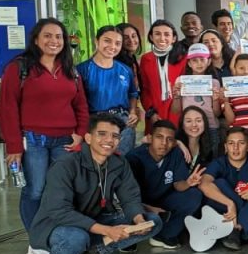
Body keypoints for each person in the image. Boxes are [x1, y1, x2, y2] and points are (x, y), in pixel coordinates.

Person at [30, 113, 163, 254]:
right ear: (88, 137)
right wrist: (107, 230)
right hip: (57, 225)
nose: (109, 140)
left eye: (115, 136)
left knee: (153, 221)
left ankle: (92, 251)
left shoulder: (119, 163)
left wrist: (138, 220)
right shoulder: (66, 165)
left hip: (93, 219)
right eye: (102, 134)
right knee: (77, 238)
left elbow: (130, 197)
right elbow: (59, 211)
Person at [0, 18, 89, 250]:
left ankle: (58, 238)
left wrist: (80, 133)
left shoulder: (70, 70)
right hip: (34, 141)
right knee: (35, 190)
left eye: (58, 37)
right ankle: (37, 242)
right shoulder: (19, 68)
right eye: (47, 36)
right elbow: (7, 108)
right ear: (36, 39)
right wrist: (14, 147)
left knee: (61, 191)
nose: (54, 41)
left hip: (65, 141)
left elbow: (81, 105)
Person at [126, 120, 204, 250]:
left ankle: (164, 235)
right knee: (127, 211)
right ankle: (131, 240)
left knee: (194, 195)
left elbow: (178, 184)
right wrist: (147, 208)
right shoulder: (134, 157)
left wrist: (188, 183)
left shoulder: (175, 154)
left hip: (164, 200)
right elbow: (125, 196)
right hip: (139, 204)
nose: (164, 143)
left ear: (174, 142)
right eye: (159, 137)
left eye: (169, 139)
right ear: (150, 138)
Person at [199, 127, 248, 249]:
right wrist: (230, 203)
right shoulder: (219, 163)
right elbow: (203, 184)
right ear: (226, 147)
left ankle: (237, 230)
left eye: (241, 143)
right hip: (228, 211)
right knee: (219, 183)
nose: (235, 148)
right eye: (231, 143)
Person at [77, 26, 140, 155]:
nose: (112, 46)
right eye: (107, 41)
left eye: (117, 43)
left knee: (123, 164)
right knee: (98, 165)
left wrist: (133, 111)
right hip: (95, 123)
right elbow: (76, 101)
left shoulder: (125, 70)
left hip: (123, 124)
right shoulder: (82, 70)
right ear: (97, 41)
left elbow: (133, 94)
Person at [172, 43, 224, 148]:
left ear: (209, 61)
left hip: (211, 127)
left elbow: (217, 113)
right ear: (189, 63)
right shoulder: (181, 81)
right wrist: (176, 96)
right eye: (194, 60)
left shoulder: (214, 83)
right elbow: (176, 111)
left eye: (202, 59)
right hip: (189, 128)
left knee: (211, 159)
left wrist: (215, 99)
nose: (199, 63)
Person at [140, 20, 186, 133]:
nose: (162, 38)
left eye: (167, 34)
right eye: (157, 34)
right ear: (151, 37)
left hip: (177, 109)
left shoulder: (183, 58)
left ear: (174, 38)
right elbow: (145, 89)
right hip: (155, 112)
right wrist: (151, 112)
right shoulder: (146, 59)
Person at [116, 22, 145, 136]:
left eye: (134, 36)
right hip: (121, 115)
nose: (131, 40)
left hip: (131, 113)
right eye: (125, 37)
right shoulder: (115, 63)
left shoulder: (133, 60)